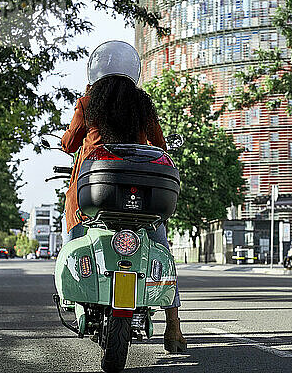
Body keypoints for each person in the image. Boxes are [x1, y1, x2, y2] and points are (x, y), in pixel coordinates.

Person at [60, 40, 187, 353]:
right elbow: (161, 145)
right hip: (140, 198)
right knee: (162, 249)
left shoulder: (88, 102)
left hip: (95, 194)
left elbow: (68, 143)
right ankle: (174, 326)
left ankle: (74, 294)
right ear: (134, 73)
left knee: (77, 240)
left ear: (96, 73)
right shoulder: (142, 106)